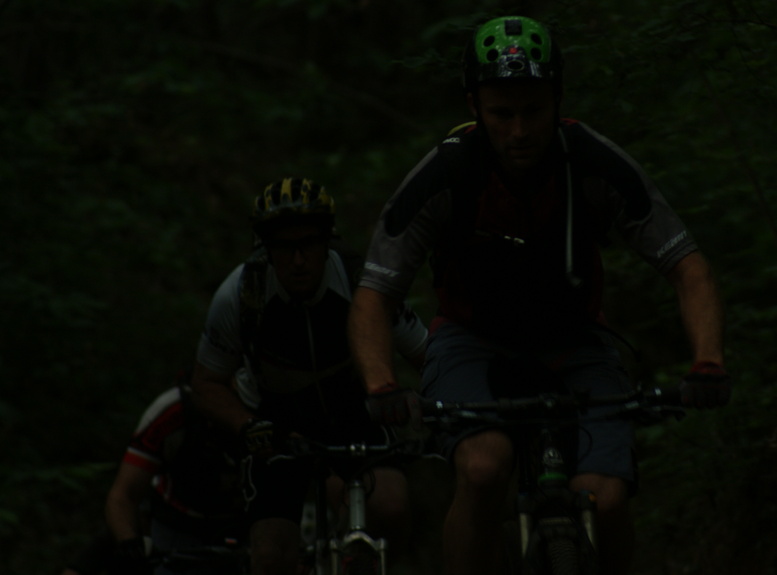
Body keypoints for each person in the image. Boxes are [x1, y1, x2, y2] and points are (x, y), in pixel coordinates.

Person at [348, 15, 731, 575]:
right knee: (483, 468)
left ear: (558, 99)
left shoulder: (592, 162)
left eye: (533, 111)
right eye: (501, 114)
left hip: (576, 339)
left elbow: (688, 267)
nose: (520, 130)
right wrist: (381, 383)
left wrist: (708, 362)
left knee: (607, 497)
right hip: (470, 339)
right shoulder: (447, 173)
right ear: (475, 106)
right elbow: (374, 294)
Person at [189, 177, 429, 575]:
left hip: (353, 408)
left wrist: (440, 407)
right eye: (284, 247)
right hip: (274, 418)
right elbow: (206, 384)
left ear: (328, 241)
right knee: (271, 555)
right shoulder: (241, 294)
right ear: (265, 248)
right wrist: (248, 426)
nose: (298, 260)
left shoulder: (360, 283)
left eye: (309, 244)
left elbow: (428, 356)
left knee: (390, 507)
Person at [104, 369, 249, 575]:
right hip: (177, 523)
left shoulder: (268, 409)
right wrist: (129, 543)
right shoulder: (171, 411)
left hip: (246, 521)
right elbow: (123, 495)